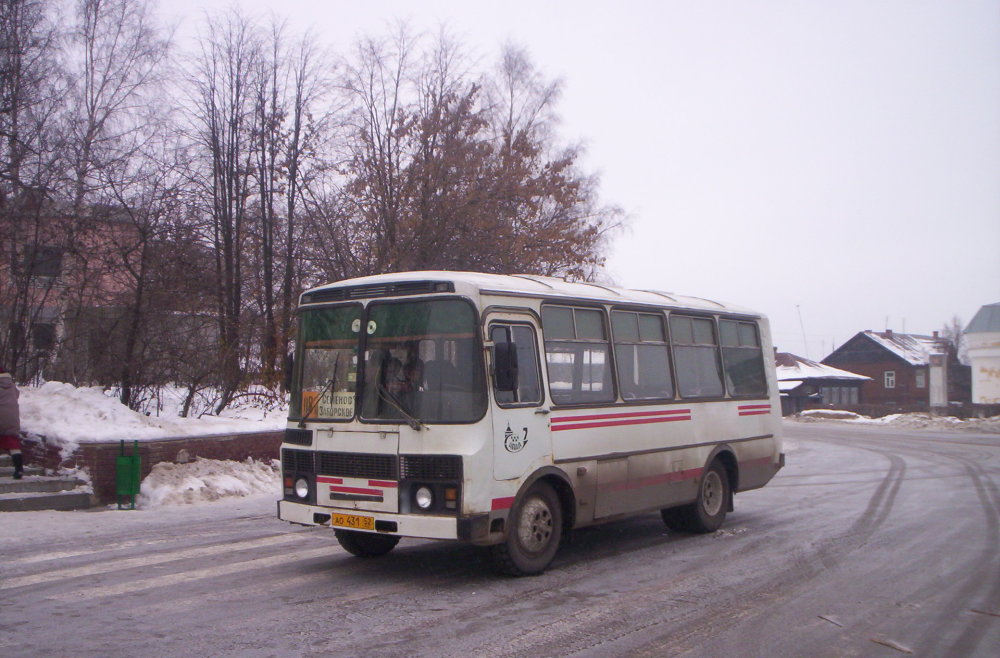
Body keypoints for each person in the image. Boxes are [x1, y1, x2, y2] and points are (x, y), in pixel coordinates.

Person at [0, 366, 23, 479]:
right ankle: (19, 469)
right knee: (13, 442)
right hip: (13, 417)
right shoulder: (12, 386)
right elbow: (17, 395)